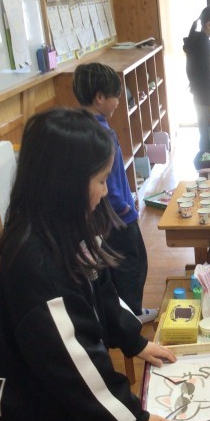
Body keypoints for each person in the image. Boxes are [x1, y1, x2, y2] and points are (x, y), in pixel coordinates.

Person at [0, 108, 182, 421]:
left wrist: (133, 341)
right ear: (66, 183)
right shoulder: (37, 266)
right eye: (101, 180)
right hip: (38, 415)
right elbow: (74, 360)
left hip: (64, 399)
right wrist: (134, 419)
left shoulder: (66, 226)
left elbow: (102, 290)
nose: (105, 191)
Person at [73, 63, 156, 323]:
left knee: (119, 264)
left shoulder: (81, 126)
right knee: (133, 263)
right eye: (116, 96)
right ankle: (131, 315)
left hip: (104, 215)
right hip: (117, 213)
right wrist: (124, 206)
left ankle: (127, 311)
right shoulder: (102, 134)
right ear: (99, 97)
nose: (119, 102)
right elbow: (106, 181)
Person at [183, 6, 210, 154]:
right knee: (208, 136)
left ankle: (207, 163)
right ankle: (206, 164)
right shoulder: (202, 45)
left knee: (206, 134)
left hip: (203, 99)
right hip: (206, 101)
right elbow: (204, 79)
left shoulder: (200, 42)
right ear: (209, 25)